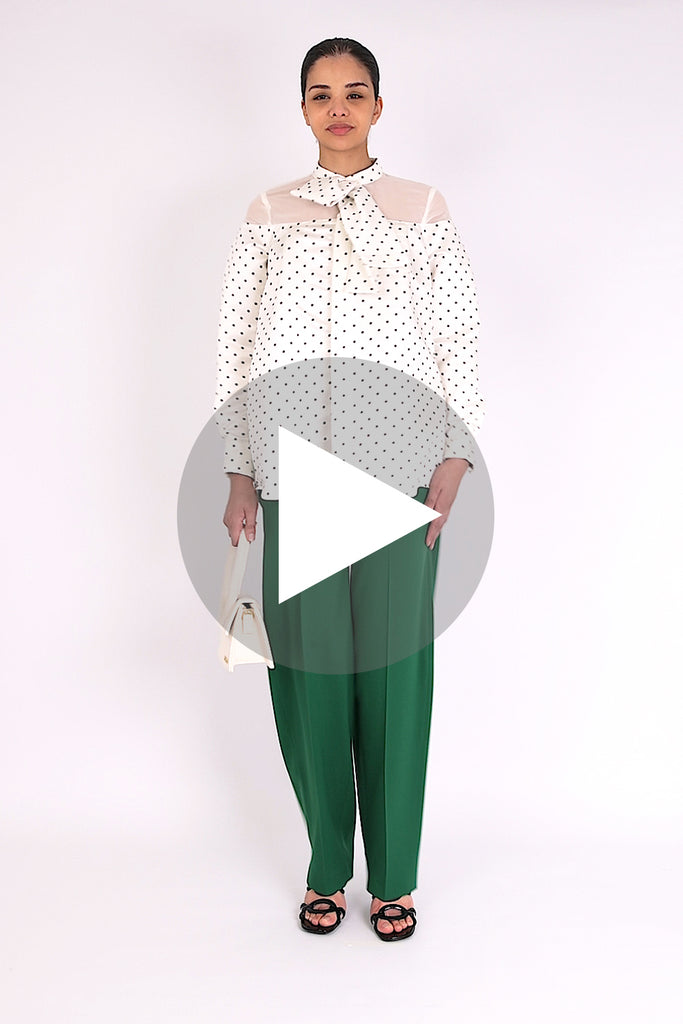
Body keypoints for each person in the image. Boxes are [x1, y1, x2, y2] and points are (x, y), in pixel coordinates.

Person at [213, 37, 485, 941]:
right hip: (293, 476)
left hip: (400, 476)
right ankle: (326, 864)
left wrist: (453, 458)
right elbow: (235, 345)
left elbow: (457, 336)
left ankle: (394, 876)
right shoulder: (267, 212)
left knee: (395, 681)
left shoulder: (421, 208)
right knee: (310, 681)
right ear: (301, 108)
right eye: (321, 93)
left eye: (354, 92)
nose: (338, 106)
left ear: (377, 105)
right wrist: (239, 467)